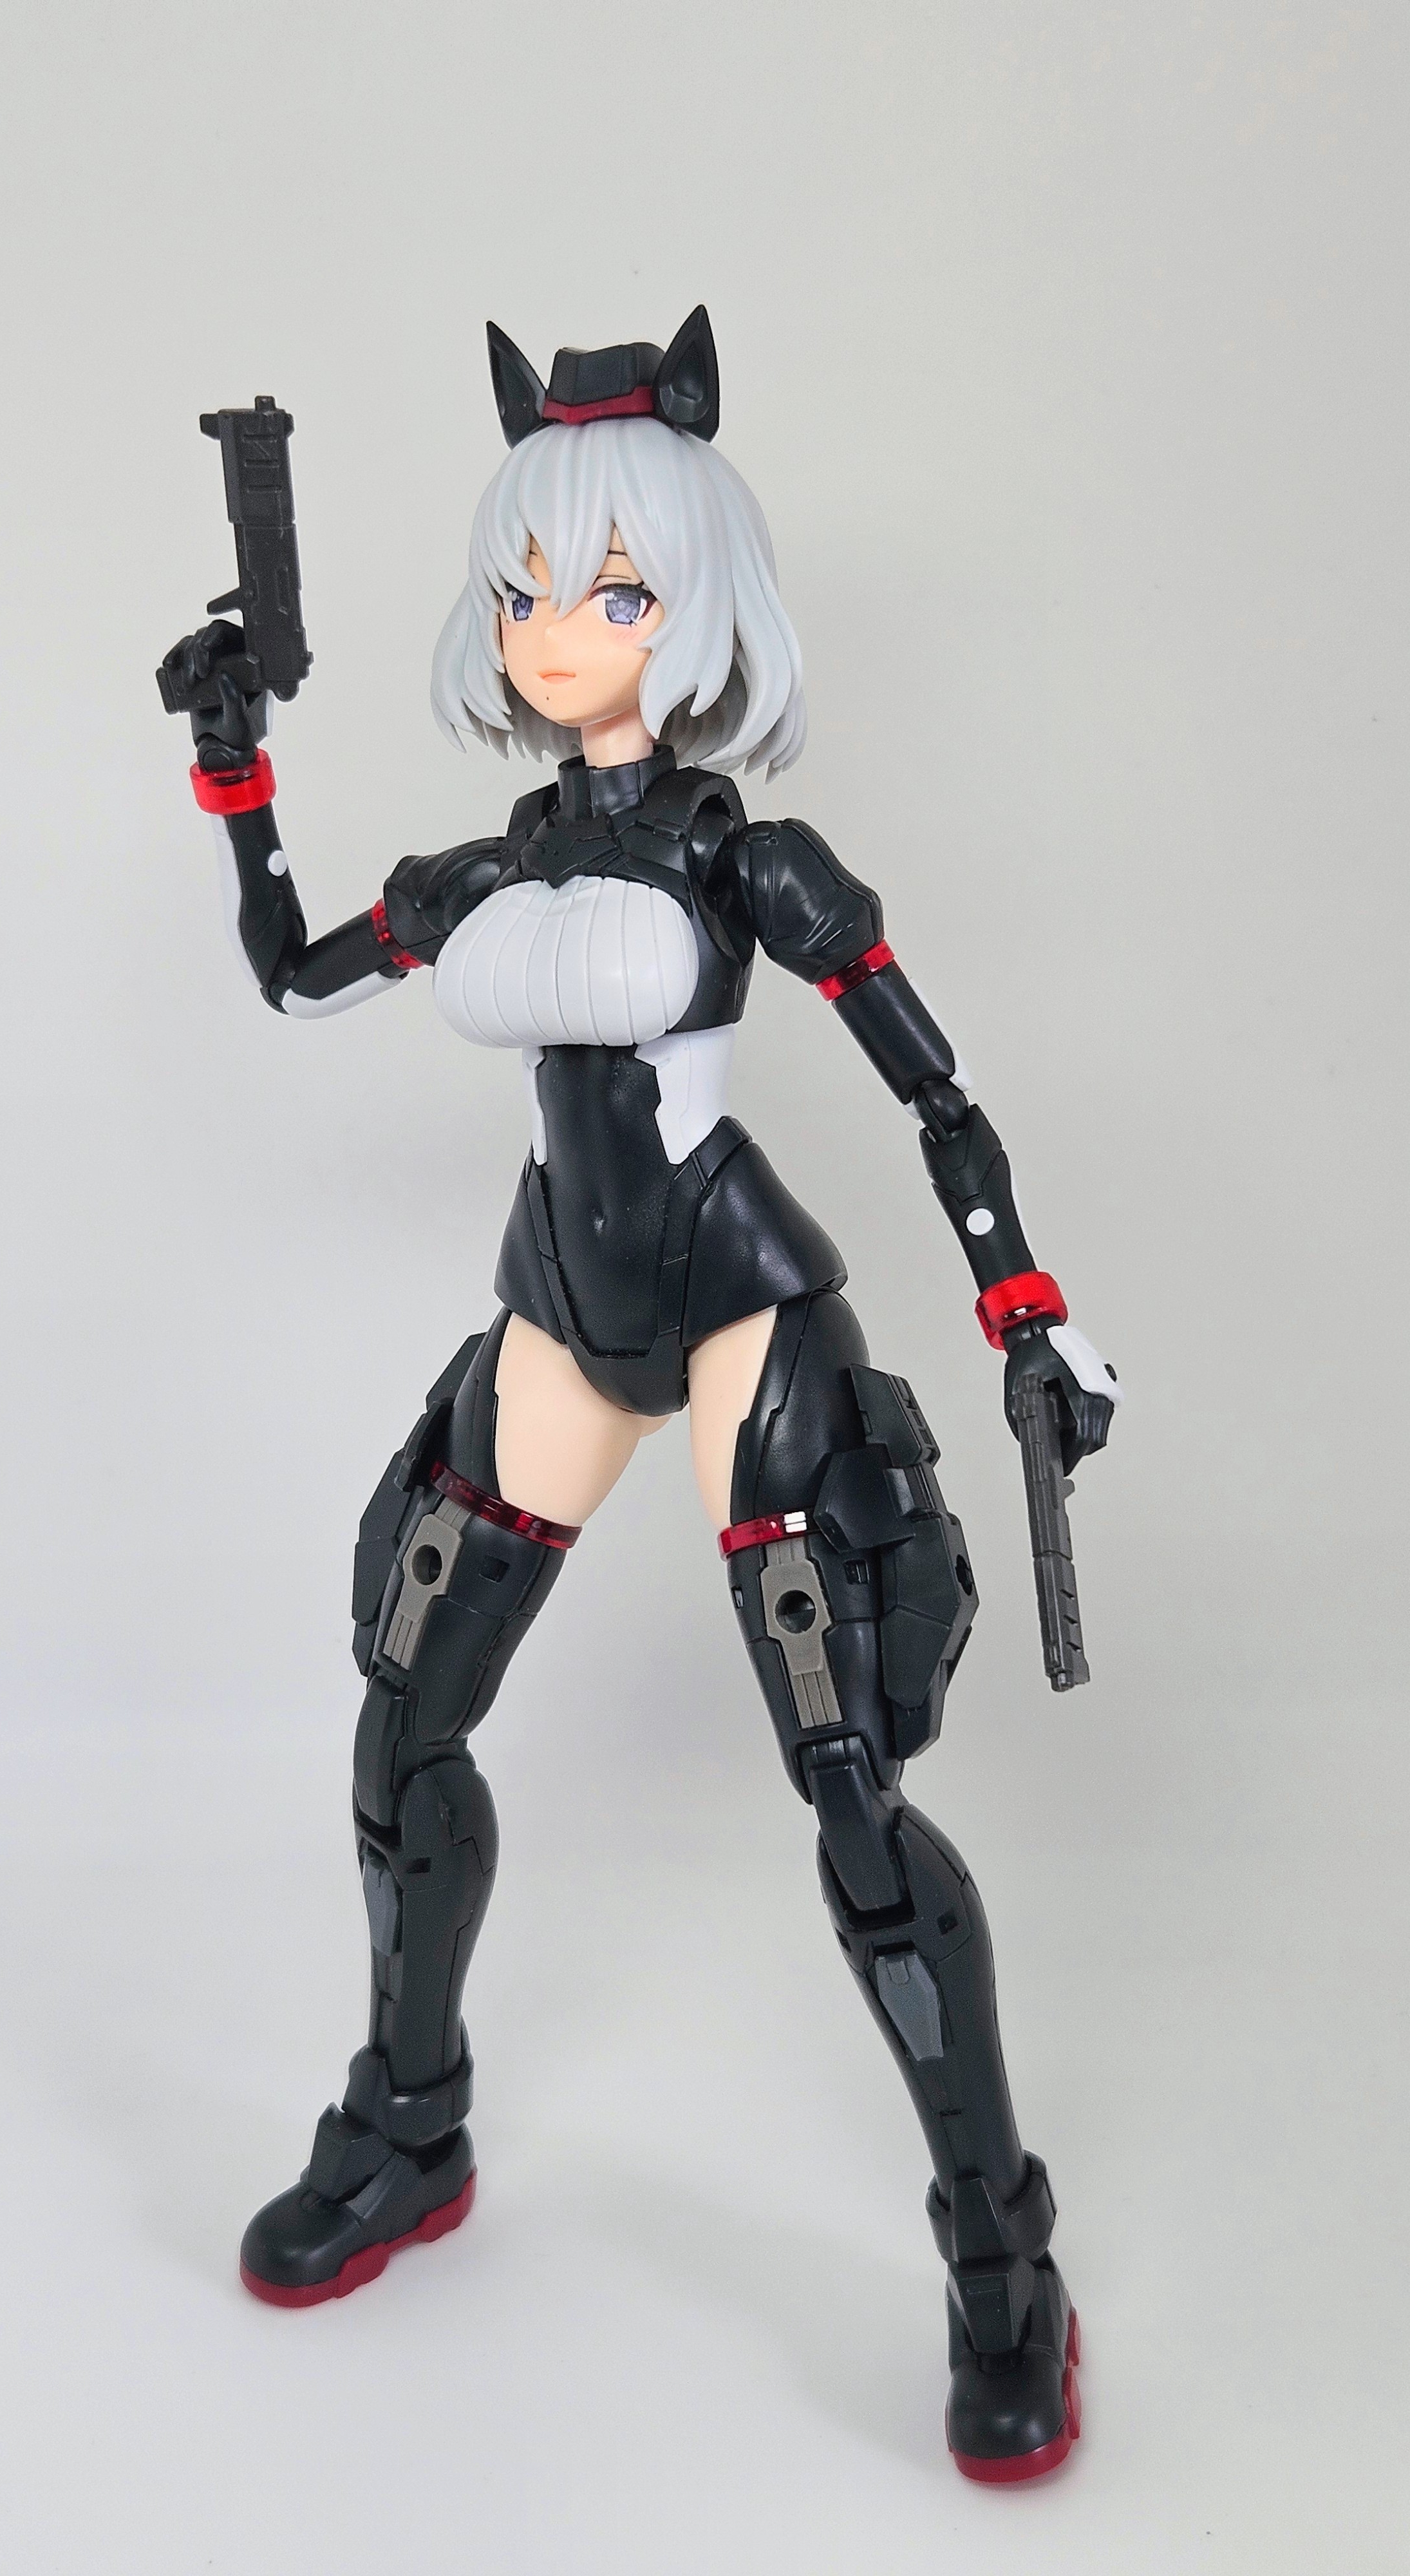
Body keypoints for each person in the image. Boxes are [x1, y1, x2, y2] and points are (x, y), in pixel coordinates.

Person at [160, 307, 1115, 2482]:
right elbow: (295, 971)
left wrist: (1025, 1308)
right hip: (562, 1302)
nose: (556, 632)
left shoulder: (743, 860)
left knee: (847, 1783)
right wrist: (237, 764)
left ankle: (999, 2251)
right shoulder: (490, 869)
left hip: (728, 1294)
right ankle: (409, 2121)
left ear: (698, 606)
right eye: (526, 590)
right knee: (404, 1714)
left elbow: (937, 1087)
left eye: (607, 591)